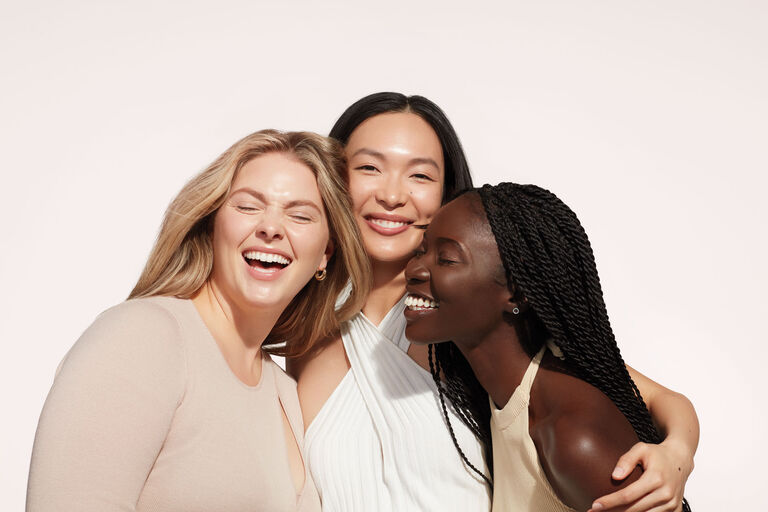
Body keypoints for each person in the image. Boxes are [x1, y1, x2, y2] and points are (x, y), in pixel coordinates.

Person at [289, 92, 699, 511]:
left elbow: (658, 399)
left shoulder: (474, 317)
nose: (392, 195)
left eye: (420, 176)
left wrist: (676, 457)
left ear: (447, 193)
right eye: (369, 168)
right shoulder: (301, 324)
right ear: (334, 179)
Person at [26, 130, 371, 512]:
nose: (271, 228)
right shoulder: (144, 337)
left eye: (300, 215)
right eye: (247, 207)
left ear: (326, 252)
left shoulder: (284, 392)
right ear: (211, 224)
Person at [404, 183, 693, 512]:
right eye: (420, 251)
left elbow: (665, 401)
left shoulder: (571, 437)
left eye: (446, 259)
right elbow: (668, 399)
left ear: (516, 293)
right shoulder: (519, 380)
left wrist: (677, 455)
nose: (414, 270)